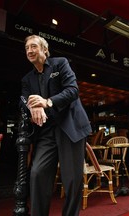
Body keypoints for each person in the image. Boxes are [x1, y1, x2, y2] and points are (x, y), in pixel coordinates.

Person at [21, 35, 92, 216]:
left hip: (70, 127)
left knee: (72, 180)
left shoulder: (60, 64)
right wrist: (32, 107)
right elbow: (23, 100)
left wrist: (47, 102)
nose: (30, 50)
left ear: (44, 49)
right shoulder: (27, 78)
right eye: (27, 47)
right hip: (46, 130)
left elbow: (73, 90)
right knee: (37, 173)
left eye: (34, 46)